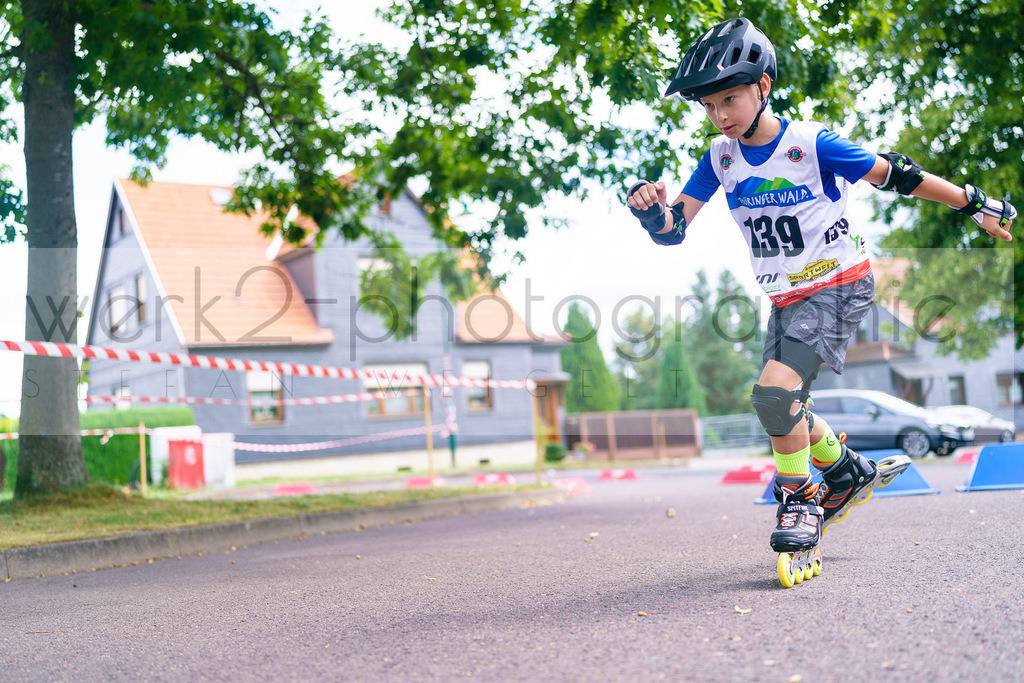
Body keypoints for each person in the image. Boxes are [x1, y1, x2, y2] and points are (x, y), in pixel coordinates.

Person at [626, 17, 1016, 559]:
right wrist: (651, 214)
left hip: (839, 285)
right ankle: (846, 468)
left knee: (773, 396)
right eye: (709, 106)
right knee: (783, 407)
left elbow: (899, 174)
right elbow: (675, 231)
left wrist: (973, 202)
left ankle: (802, 498)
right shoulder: (719, 159)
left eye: (730, 100)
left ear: (763, 87)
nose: (719, 117)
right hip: (787, 298)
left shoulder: (810, 144)